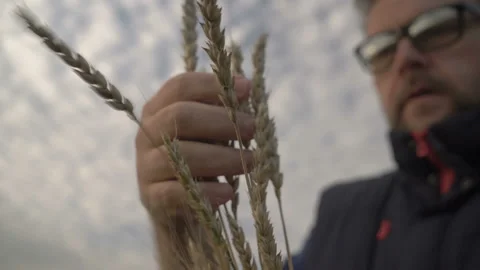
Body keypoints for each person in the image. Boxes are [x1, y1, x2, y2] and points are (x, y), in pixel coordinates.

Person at [134, 0, 480, 269]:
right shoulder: (342, 214)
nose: (405, 58)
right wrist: (180, 226)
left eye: (436, 27)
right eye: (382, 49)